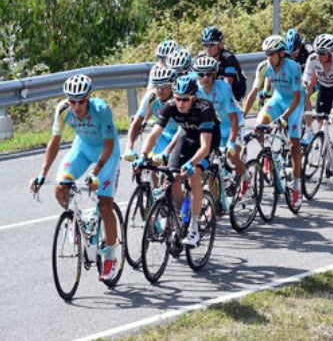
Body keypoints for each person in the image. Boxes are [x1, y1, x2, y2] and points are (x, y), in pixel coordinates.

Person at [30, 75, 123, 282]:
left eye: (81, 101)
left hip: (106, 154)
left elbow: (108, 145)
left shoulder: (101, 110)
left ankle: (110, 256)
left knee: (105, 204)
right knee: (60, 187)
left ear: (89, 97)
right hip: (82, 148)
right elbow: (54, 143)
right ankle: (75, 221)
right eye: (73, 101)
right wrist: (42, 174)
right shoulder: (62, 110)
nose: (77, 105)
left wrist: (95, 173)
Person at [140, 75, 219, 248]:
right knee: (173, 175)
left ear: (194, 97)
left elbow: (205, 147)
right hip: (186, 137)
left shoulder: (204, 108)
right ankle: (179, 218)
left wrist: (192, 163)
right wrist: (143, 155)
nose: (180, 103)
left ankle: (194, 227)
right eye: (177, 99)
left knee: (194, 174)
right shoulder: (170, 106)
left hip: (207, 141)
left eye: (185, 99)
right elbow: (154, 134)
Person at [242, 35, 307, 207]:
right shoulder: (264, 67)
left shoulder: (293, 67)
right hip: (277, 99)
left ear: (281, 53)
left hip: (294, 103)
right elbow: (253, 93)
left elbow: (295, 99)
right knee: (259, 125)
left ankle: (296, 187)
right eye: (267, 54)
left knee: (294, 145)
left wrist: (283, 118)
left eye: (272, 54)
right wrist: (242, 115)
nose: (269, 58)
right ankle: (267, 156)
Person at [302, 34, 333, 167]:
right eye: (317, 52)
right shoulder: (312, 59)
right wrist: (302, 97)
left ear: (331, 52)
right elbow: (306, 83)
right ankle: (328, 147)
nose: (319, 56)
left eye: (322, 53)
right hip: (324, 89)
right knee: (321, 121)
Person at [199, 26, 247, 102]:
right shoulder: (201, 58)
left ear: (220, 44)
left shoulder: (228, 58)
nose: (208, 48)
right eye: (205, 44)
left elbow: (227, 85)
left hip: (234, 93)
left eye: (212, 44)